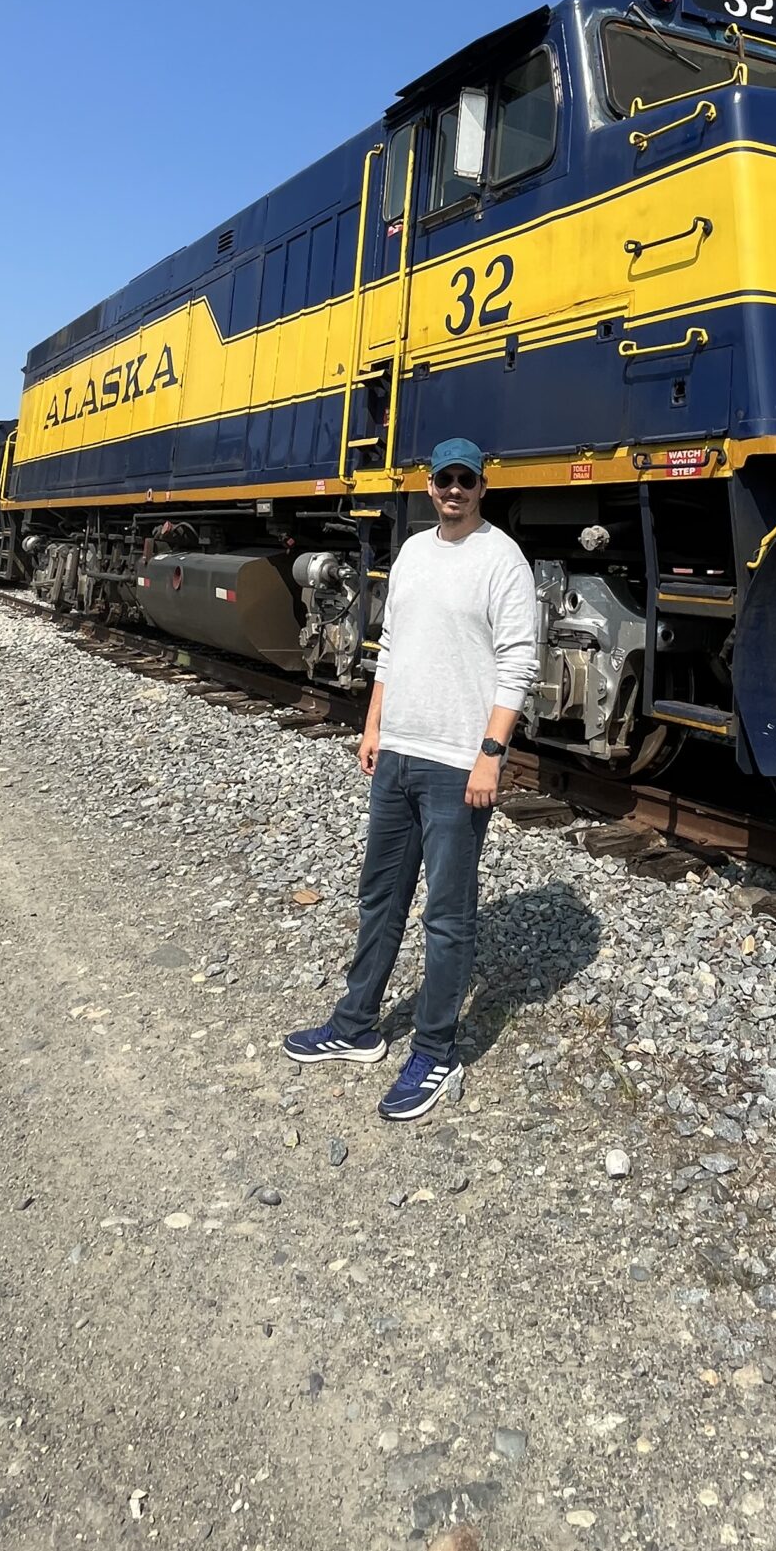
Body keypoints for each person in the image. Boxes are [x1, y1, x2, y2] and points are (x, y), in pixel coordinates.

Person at [283, 438, 538, 1120]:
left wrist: (491, 753)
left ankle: (435, 1051)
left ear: (482, 487)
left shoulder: (502, 560)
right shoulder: (414, 553)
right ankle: (356, 1026)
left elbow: (518, 662)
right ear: (428, 486)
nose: (454, 489)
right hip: (397, 753)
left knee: (447, 917)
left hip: (457, 763)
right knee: (380, 898)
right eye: (443, 479)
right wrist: (374, 726)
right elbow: (390, 647)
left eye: (465, 480)